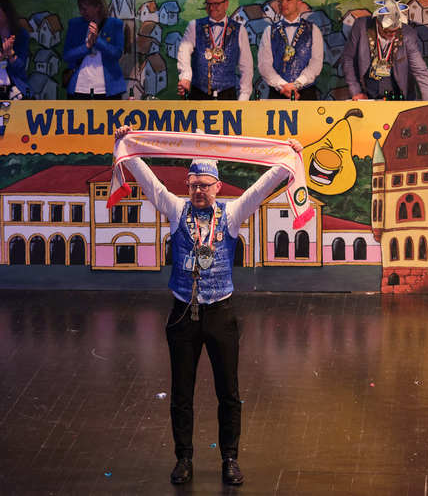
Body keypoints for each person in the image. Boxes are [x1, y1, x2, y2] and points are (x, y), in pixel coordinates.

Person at [114, 125, 302, 486]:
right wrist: (126, 144)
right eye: (193, 185)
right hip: (183, 314)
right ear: (187, 186)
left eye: (205, 185)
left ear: (218, 186)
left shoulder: (232, 213)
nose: (199, 191)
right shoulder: (175, 209)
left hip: (220, 315)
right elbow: (148, 181)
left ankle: (230, 458)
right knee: (181, 393)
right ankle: (183, 458)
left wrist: (287, 157)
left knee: (228, 392)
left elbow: (262, 186)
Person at [177, 0, 253, 100]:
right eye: (209, 4)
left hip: (228, 96)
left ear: (226, 4)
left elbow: (246, 67)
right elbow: (183, 52)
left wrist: (244, 98)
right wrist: (185, 77)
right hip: (198, 95)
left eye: (217, 4)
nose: (212, 8)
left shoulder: (239, 30)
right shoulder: (194, 26)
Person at [341, 0, 428, 100]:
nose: (392, 34)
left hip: (398, 94)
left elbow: (420, 70)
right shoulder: (361, 27)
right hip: (368, 93)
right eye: (387, 31)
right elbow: (348, 59)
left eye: (395, 31)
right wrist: (356, 91)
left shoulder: (408, 34)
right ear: (378, 23)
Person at [258, 0, 324, 100]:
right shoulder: (269, 31)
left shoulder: (313, 30)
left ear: (299, 3)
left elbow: (316, 64)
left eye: (288, 0)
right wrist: (283, 85)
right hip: (278, 93)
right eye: (281, 0)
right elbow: (264, 65)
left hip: (306, 93)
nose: (284, 4)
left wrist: (297, 84)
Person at [63, 0, 126, 99]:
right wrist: (86, 47)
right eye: (80, 8)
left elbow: (117, 53)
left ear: (98, 7)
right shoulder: (75, 24)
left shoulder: (115, 24)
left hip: (108, 89)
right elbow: (67, 56)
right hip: (79, 88)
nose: (81, 12)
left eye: (84, 9)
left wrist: (97, 40)